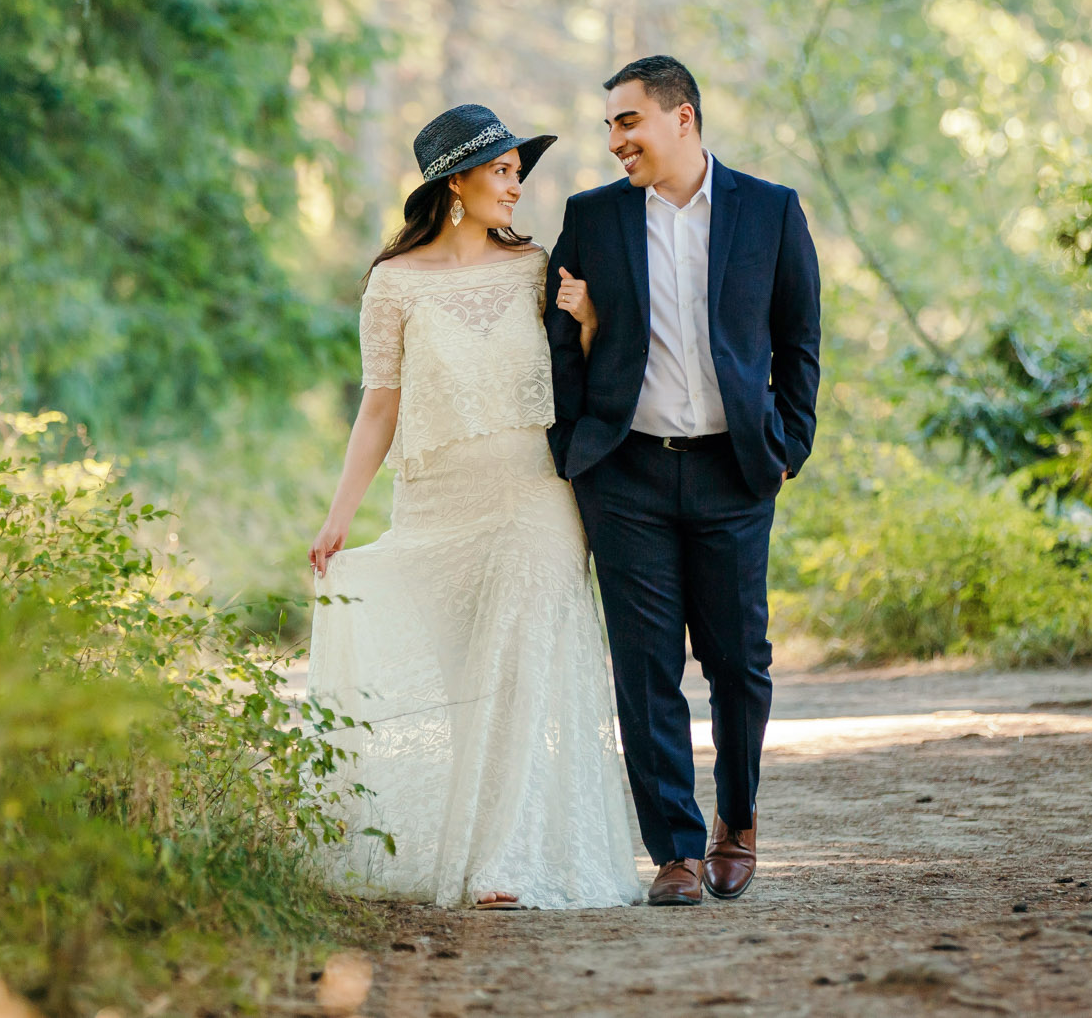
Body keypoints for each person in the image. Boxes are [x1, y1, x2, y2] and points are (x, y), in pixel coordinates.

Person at [306, 103, 642, 911]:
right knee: (468, 686)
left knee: (520, 674)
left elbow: (581, 373)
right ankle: (478, 844)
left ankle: (504, 863)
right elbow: (379, 406)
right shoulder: (392, 285)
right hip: (435, 502)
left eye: (517, 170)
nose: (515, 185)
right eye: (501, 171)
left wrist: (590, 324)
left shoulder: (534, 268)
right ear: (454, 183)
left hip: (534, 494)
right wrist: (338, 513)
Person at [544, 55, 822, 907]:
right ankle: (672, 848)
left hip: (734, 473)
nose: (616, 139)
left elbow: (798, 337)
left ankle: (734, 824)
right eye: (611, 126)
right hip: (625, 476)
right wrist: (574, 444)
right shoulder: (591, 218)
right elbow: (557, 331)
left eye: (628, 121)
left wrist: (787, 447)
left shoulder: (770, 211)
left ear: (682, 119)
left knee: (740, 661)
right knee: (645, 668)